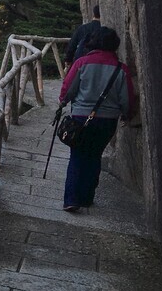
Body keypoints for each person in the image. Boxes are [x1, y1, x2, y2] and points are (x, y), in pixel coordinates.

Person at [58, 26, 136, 212]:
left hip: (80, 117)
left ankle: (71, 199)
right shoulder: (121, 69)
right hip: (107, 121)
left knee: (77, 156)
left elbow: (68, 89)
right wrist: (127, 114)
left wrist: (63, 102)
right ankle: (86, 197)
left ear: (92, 42)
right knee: (94, 156)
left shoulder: (82, 63)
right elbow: (127, 98)